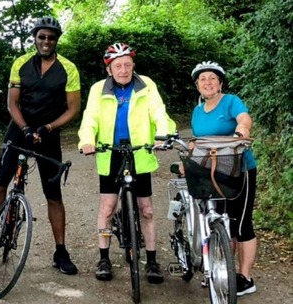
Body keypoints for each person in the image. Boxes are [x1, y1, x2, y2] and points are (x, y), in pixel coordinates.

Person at [0, 16, 81, 275]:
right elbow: (12, 103)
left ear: (57, 40)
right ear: (35, 38)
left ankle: (61, 251)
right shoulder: (20, 63)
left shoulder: (68, 68)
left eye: (51, 37)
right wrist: (24, 128)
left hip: (49, 131)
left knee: (53, 194)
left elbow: (73, 108)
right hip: (20, 127)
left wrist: (49, 128)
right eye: (42, 36)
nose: (46, 41)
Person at [78, 43, 176, 283]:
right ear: (109, 69)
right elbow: (90, 118)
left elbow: (159, 113)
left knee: (148, 210)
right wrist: (88, 140)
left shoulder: (146, 85)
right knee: (108, 208)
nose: (123, 69)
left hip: (140, 151)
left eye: (127, 65)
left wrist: (163, 135)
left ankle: (152, 261)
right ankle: (103, 257)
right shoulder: (98, 89)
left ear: (133, 66)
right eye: (118, 66)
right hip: (109, 153)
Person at [190, 61, 257, 296]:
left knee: (241, 223)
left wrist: (242, 130)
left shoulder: (230, 101)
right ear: (197, 85)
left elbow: (244, 118)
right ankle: (222, 270)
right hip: (214, 172)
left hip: (240, 169)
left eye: (212, 78)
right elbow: (200, 142)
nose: (207, 82)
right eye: (202, 79)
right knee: (219, 220)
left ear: (219, 83)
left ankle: (245, 278)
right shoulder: (197, 111)